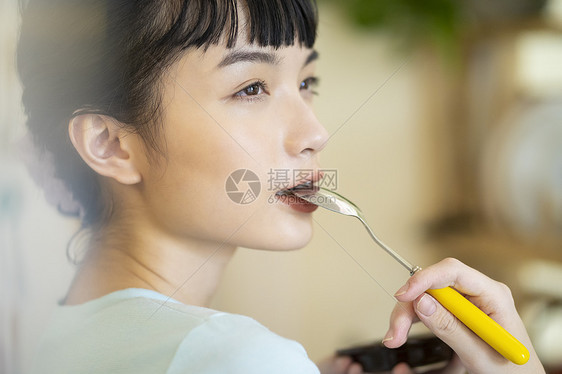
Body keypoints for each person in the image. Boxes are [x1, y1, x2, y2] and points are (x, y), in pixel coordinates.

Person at [17, 1, 545, 373]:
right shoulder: (240, 357)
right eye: (251, 87)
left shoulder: (53, 341)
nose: (315, 133)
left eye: (306, 82)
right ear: (110, 143)